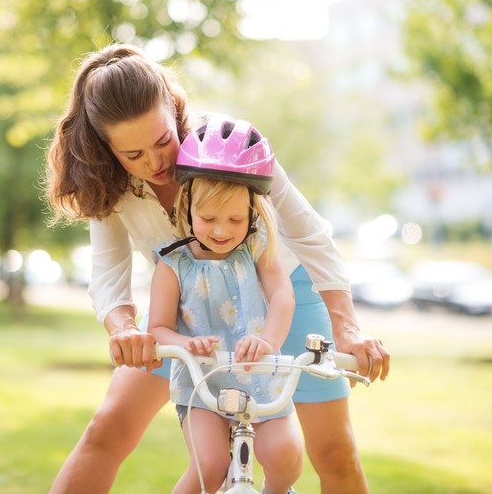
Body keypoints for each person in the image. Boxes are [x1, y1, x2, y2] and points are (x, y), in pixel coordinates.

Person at [44, 42, 390, 493]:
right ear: (106, 148)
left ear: (173, 107)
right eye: (133, 155)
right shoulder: (108, 186)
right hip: (190, 306)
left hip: (281, 290)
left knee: (333, 454)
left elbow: (309, 234)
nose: (156, 163)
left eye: (162, 141)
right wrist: (124, 329)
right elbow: (109, 276)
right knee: (108, 428)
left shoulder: (229, 143)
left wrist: (347, 328)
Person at [148, 119, 302, 494]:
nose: (220, 230)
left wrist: (268, 341)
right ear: (187, 205)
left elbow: (282, 295)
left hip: (260, 375)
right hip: (203, 383)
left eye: (234, 219)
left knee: (286, 457)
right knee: (211, 466)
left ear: (252, 212)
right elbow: (157, 329)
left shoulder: (256, 247)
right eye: (208, 218)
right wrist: (188, 345)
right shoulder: (173, 266)